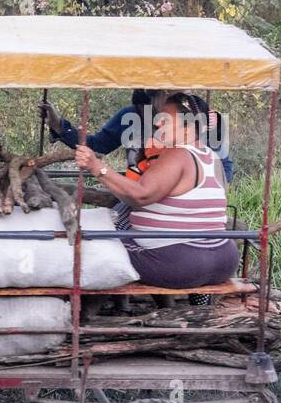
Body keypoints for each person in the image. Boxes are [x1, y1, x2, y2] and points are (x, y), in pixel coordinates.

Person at [75, 91, 238, 289]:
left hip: (181, 263)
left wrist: (96, 166)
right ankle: (200, 304)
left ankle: (91, 312)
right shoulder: (211, 156)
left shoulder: (178, 154)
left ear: (188, 126)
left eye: (165, 120)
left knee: (95, 246)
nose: (158, 124)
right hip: (223, 259)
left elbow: (141, 194)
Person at [45, 89, 234, 183]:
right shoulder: (132, 115)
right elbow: (98, 145)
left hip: (186, 204)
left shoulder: (207, 120)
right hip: (139, 197)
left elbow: (225, 170)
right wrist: (60, 126)